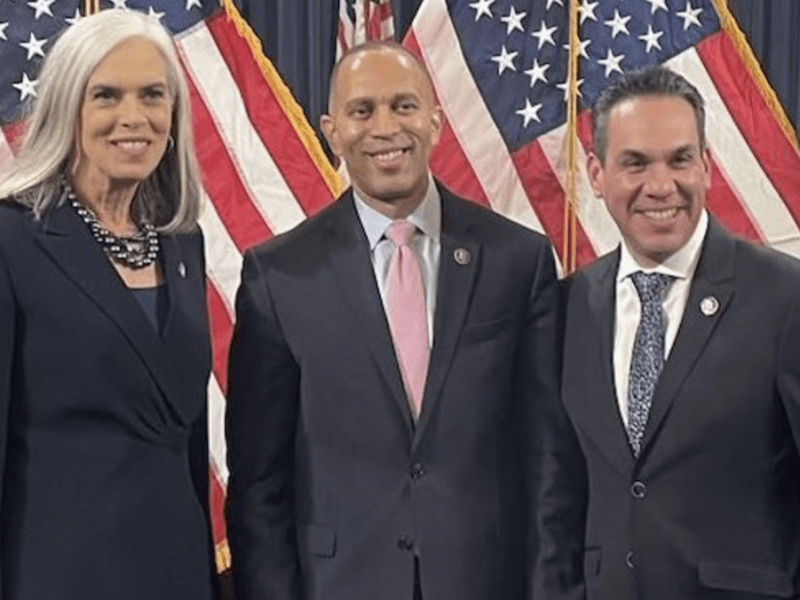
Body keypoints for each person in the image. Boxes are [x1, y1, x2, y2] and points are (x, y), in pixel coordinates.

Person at [226, 41, 585, 600]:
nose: (385, 127)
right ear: (331, 130)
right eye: (362, 110)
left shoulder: (518, 260)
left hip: (484, 581)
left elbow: (548, 463)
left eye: (404, 106)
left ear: (436, 121)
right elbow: (258, 484)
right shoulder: (279, 277)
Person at [0, 9, 218, 600]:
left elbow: (189, 444)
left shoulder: (181, 244)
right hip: (56, 575)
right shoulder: (13, 239)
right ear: (69, 109)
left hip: (177, 573)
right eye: (106, 95)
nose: (134, 117)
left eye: (153, 95)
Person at [562, 65, 800, 599]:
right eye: (636, 164)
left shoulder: (786, 299)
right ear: (597, 175)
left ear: (708, 167)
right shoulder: (567, 307)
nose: (661, 186)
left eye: (680, 159)